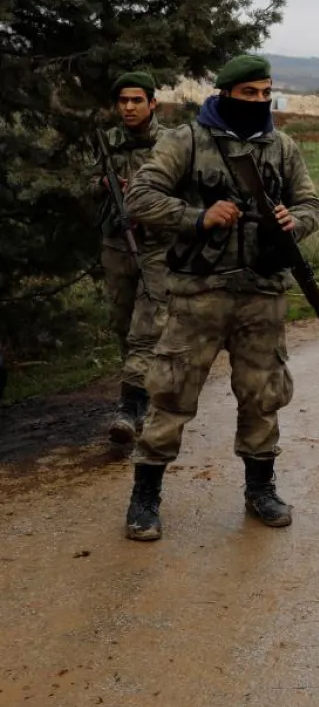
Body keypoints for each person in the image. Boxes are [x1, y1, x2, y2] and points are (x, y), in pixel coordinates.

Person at [121, 54, 319, 541]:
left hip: (262, 293)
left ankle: (261, 489)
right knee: (170, 394)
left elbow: (311, 203)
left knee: (263, 394)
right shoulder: (187, 141)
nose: (258, 101)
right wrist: (197, 216)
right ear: (226, 93)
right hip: (199, 294)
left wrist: (297, 222)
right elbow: (140, 197)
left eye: (265, 92)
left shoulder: (282, 147)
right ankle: (144, 497)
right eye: (248, 93)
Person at [94, 71, 170, 444]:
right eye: (123, 101)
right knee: (123, 324)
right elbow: (89, 182)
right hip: (116, 244)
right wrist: (104, 184)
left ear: (152, 103)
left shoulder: (170, 144)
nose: (128, 107)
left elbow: (184, 192)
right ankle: (143, 393)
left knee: (147, 327)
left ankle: (128, 408)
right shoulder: (108, 141)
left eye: (136, 100)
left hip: (156, 246)